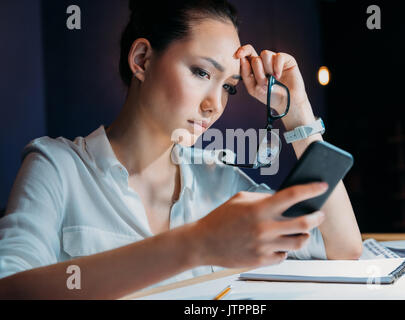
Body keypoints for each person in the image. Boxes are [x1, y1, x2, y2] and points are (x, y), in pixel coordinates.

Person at [0, 0, 362, 299]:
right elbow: (10, 289)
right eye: (202, 73)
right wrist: (195, 244)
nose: (214, 105)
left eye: (228, 87)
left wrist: (297, 111)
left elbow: (341, 247)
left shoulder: (219, 181)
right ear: (141, 59)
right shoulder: (57, 167)